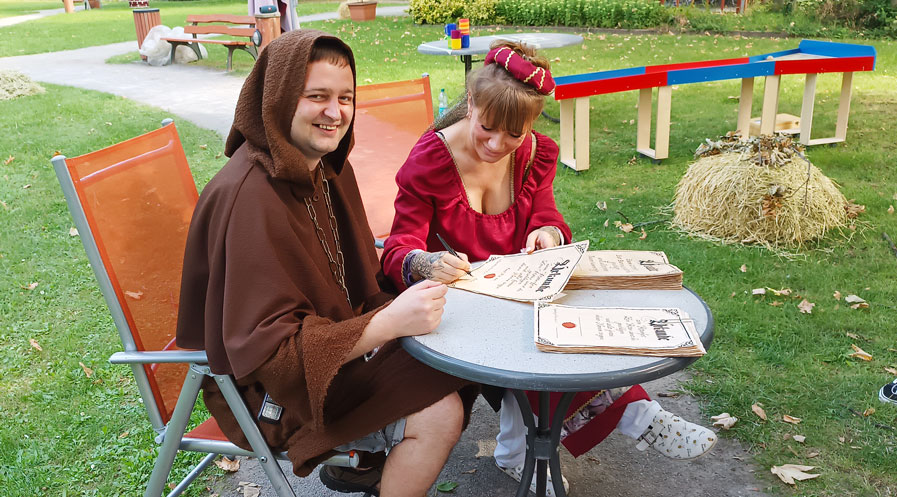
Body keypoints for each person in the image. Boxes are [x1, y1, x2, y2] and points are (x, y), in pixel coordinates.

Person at [381, 41, 717, 496]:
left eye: (514, 134)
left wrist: (549, 235)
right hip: (458, 309)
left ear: (532, 124)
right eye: (488, 128)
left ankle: (521, 449)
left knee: (555, 324)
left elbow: (547, 216)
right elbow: (398, 248)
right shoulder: (431, 160)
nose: (498, 145)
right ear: (472, 104)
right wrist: (425, 261)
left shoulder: (535, 153)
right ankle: (635, 418)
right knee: (535, 334)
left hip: (521, 291)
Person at [175, 30, 478, 497]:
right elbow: (270, 356)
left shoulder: (326, 168)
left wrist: (415, 268)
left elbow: (353, 271)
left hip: (339, 349)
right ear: (277, 99)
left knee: (466, 350)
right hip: (271, 397)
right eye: (316, 96)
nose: (335, 113)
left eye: (345, 98)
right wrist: (387, 324)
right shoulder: (250, 198)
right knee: (441, 413)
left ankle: (364, 467)